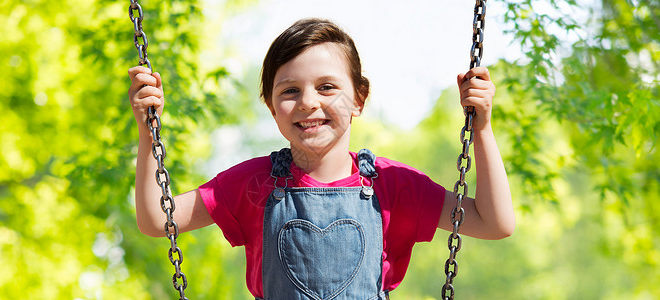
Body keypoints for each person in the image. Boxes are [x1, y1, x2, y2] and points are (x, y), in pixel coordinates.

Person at [128, 18, 514, 299]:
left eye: (327, 87)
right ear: (271, 106)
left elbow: (494, 222)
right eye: (290, 90)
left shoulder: (392, 185)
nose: (309, 102)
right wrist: (148, 132)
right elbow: (156, 220)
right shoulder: (253, 183)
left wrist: (481, 129)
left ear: (359, 99)